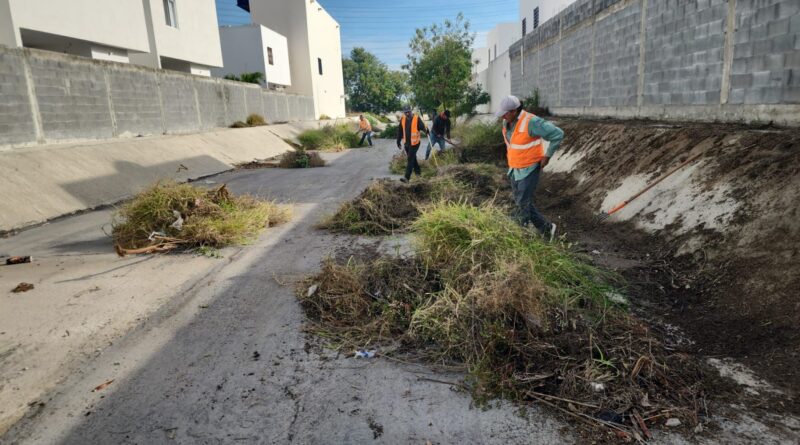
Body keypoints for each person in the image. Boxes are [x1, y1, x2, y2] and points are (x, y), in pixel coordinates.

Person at [495, 95, 564, 241]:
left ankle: (521, 236)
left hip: (530, 168)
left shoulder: (532, 122)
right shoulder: (507, 122)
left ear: (514, 111)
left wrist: (547, 156)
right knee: (521, 202)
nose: (503, 116)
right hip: (514, 168)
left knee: (523, 204)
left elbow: (557, 134)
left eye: (505, 113)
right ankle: (547, 228)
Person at [396, 105, 428, 183]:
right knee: (413, 159)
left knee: (410, 159)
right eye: (405, 112)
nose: (407, 114)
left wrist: (426, 131)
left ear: (411, 111)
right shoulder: (403, 119)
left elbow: (422, 127)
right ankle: (418, 174)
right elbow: (400, 130)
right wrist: (398, 141)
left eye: (408, 112)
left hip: (415, 143)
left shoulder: (417, 118)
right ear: (404, 113)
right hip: (407, 143)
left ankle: (407, 178)